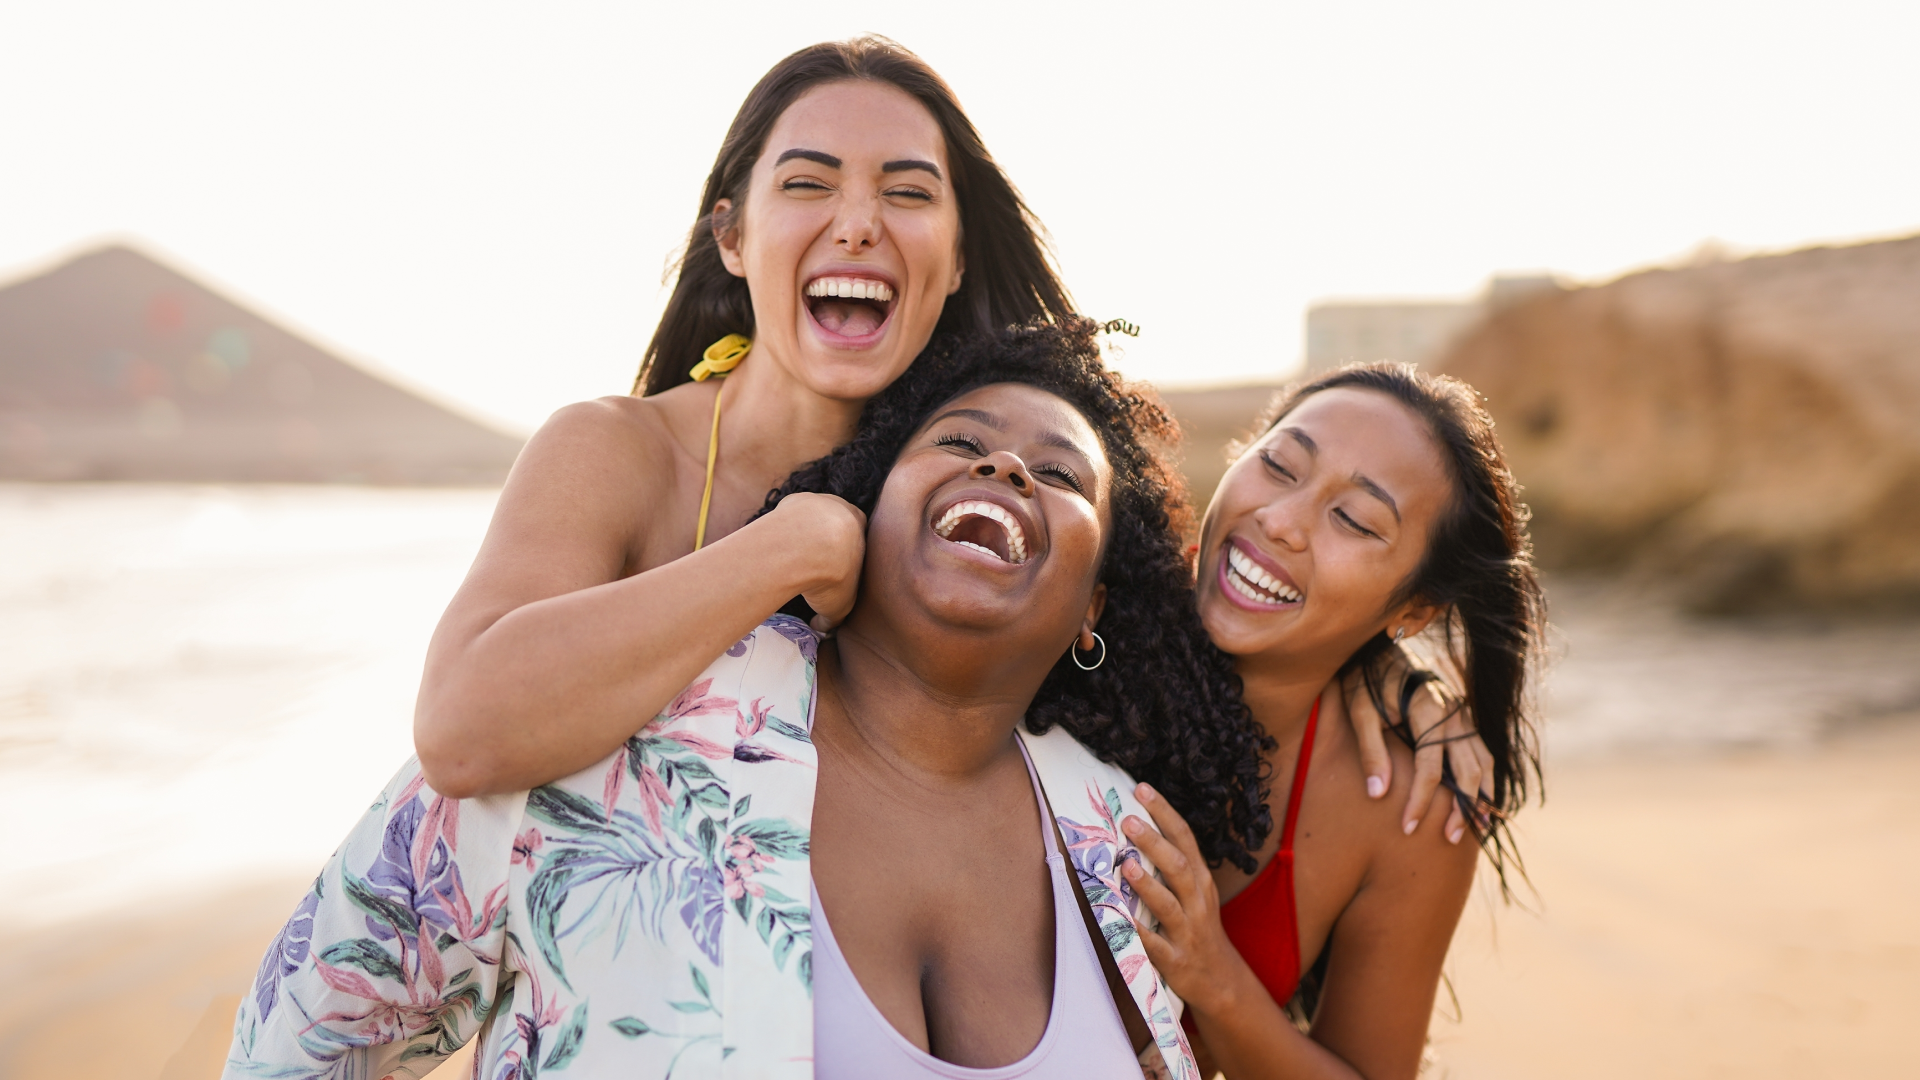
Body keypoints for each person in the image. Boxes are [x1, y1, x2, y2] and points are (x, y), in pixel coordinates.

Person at [410, 35, 1484, 826]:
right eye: (807, 183)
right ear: (733, 238)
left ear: (957, 256)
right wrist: (787, 548)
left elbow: (1179, 619)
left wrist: (1399, 679)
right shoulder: (618, 452)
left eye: (907, 192)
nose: (860, 220)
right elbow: (463, 731)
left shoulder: (968, 478)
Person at [227, 322, 1264, 1080]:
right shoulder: (619, 737)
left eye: (1059, 473)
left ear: (1095, 607)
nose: (1005, 466)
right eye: (957, 443)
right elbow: (305, 1037)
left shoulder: (1126, 847)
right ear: (866, 506)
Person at [1119, 364, 1545, 1080]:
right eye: (1280, 466)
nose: (1281, 522)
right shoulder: (1074, 617)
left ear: (1413, 611)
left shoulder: (1411, 807)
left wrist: (1213, 976)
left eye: (1353, 519)